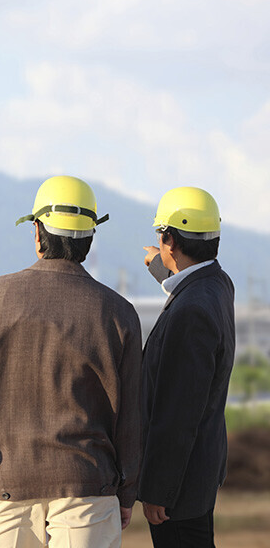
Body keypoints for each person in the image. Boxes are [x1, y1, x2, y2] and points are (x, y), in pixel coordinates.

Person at [0, 175, 142, 548]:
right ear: (90, 237)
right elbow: (131, 414)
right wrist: (127, 490)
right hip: (88, 491)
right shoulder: (119, 313)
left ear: (37, 232)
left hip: (3, 490)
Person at [139, 187, 235, 547]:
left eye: (161, 237)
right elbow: (187, 280)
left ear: (170, 240)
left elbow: (178, 411)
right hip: (200, 469)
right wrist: (157, 263)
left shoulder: (190, 312)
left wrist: (159, 488)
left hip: (178, 487)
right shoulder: (218, 284)